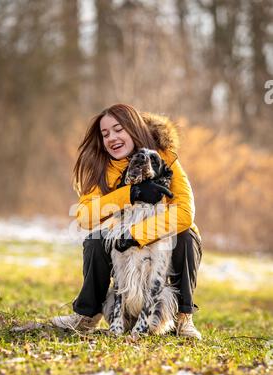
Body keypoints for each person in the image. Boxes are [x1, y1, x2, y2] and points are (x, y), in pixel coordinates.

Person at [52, 103, 202, 339]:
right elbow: (84, 216)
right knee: (95, 241)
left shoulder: (165, 157)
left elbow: (184, 212)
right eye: (105, 134)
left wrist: (136, 236)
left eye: (118, 129)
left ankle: (184, 318)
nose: (112, 138)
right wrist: (130, 194)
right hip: (121, 241)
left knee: (186, 236)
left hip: (161, 238)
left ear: (133, 128)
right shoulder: (102, 166)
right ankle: (87, 315)